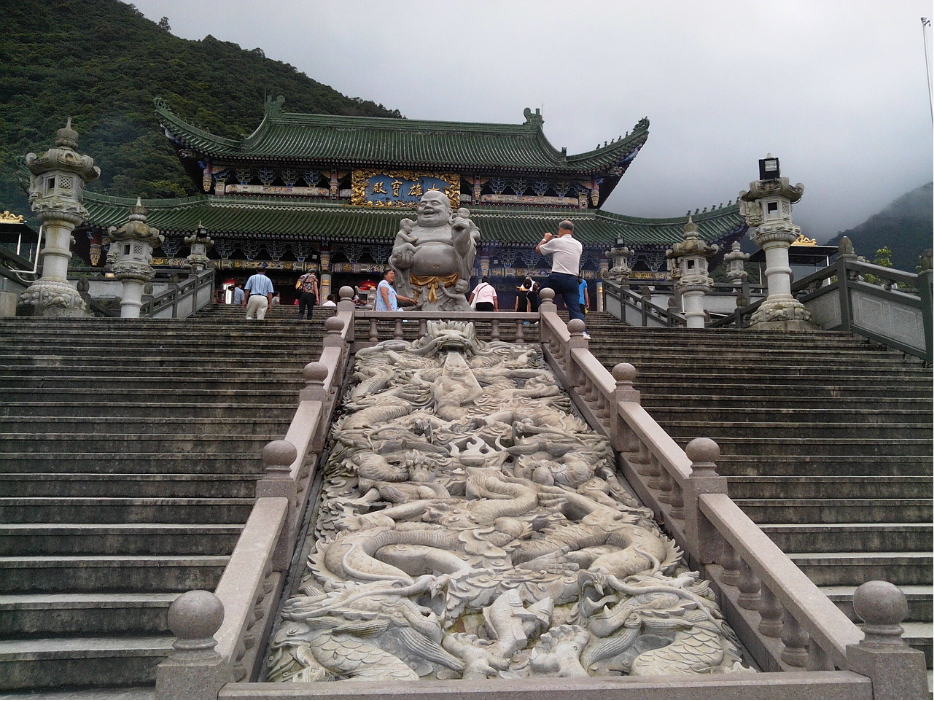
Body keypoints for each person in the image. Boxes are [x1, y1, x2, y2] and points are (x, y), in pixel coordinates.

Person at [535, 220, 587, 333]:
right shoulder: (579, 244)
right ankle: (582, 332)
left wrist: (545, 238)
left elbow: (538, 249)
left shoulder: (556, 242)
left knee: (540, 293)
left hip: (558, 277)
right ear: (572, 231)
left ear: (560, 229)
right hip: (573, 280)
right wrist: (558, 240)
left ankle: (542, 318)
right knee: (575, 309)